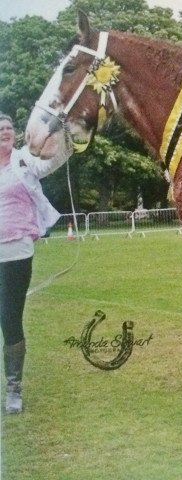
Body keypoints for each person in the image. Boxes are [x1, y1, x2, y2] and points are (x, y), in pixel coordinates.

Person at [0, 112, 68, 413]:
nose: (4, 131)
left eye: (8, 128)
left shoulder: (25, 160)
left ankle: (13, 388)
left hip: (16, 249)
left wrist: (68, 137)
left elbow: (52, 161)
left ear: (15, 134)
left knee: (9, 317)